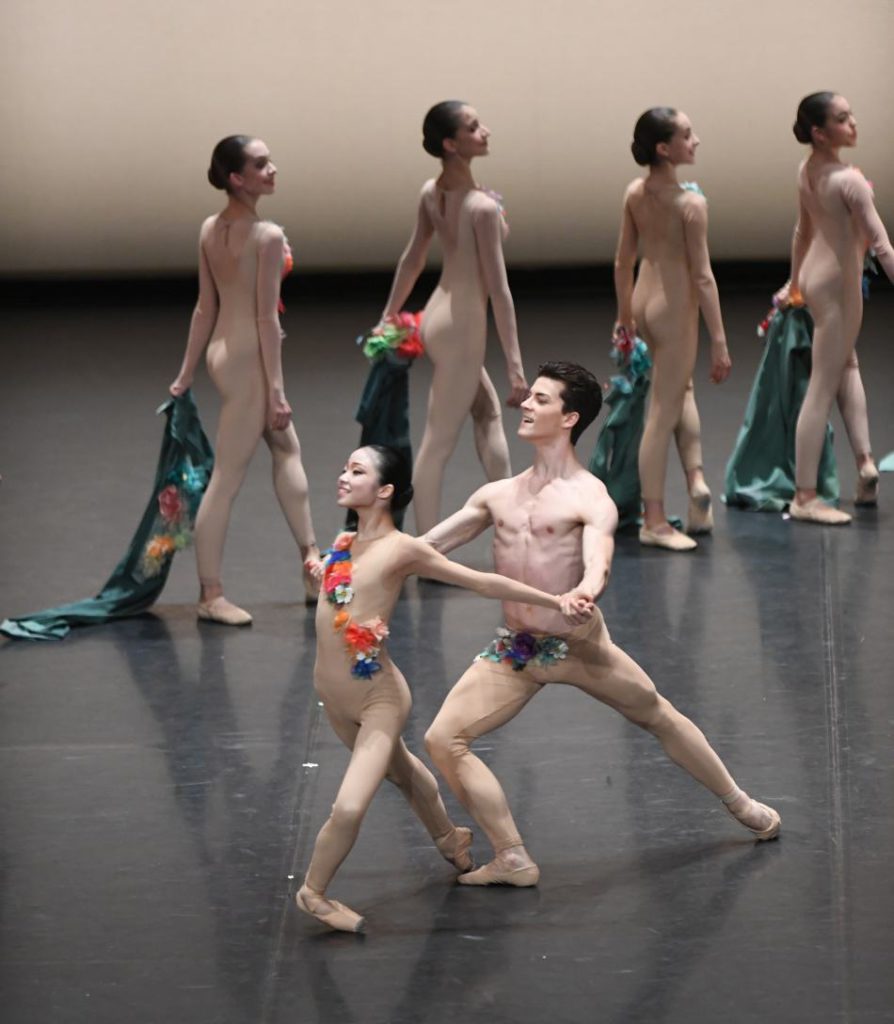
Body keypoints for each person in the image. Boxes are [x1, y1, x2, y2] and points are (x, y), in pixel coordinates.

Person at [424, 361, 780, 887]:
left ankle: (741, 803)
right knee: (442, 739)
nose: (525, 404)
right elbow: (426, 547)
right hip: (517, 651)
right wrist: (357, 557)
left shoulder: (589, 496)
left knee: (657, 713)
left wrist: (583, 593)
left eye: (541, 400)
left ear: (569, 418)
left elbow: (599, 560)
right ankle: (512, 856)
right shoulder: (495, 495)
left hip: (578, 646)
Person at [296, 445, 586, 932]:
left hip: (377, 700)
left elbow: (481, 582)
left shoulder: (402, 549)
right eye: (344, 467)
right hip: (334, 698)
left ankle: (314, 892)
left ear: (385, 490)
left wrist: (555, 599)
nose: (343, 476)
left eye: (356, 471)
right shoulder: (344, 543)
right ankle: (451, 839)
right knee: (406, 773)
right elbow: (342, 599)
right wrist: (321, 568)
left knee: (348, 805)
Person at [169, 135, 319, 624]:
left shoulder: (210, 228)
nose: (272, 169)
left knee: (286, 451)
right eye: (260, 164)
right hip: (250, 358)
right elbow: (264, 321)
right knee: (228, 477)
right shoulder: (267, 236)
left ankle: (311, 566)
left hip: (223, 354)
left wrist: (188, 372)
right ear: (236, 178)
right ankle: (211, 594)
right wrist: (276, 391)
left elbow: (204, 308)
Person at [378, 100, 528, 535]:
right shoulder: (479, 207)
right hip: (461, 323)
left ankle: (508, 520)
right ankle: (423, 545)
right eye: (473, 127)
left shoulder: (433, 191)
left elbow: (412, 259)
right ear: (451, 143)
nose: (485, 131)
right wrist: (516, 368)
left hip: (437, 314)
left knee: (487, 414)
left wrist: (390, 313)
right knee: (439, 440)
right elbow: (499, 291)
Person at [614, 108, 732, 551]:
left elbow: (623, 260)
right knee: (661, 413)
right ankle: (655, 518)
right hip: (675, 306)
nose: (695, 140)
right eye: (687, 135)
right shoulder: (691, 205)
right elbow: (703, 276)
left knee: (680, 391)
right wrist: (719, 339)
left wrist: (625, 315)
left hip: (644, 298)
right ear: (664, 148)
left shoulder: (635, 192)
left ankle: (697, 479)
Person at [777, 92, 894, 524]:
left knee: (846, 366)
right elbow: (881, 245)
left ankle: (864, 463)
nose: (854, 124)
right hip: (836, 286)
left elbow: (801, 231)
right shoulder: (849, 182)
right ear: (820, 133)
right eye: (843, 119)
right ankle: (804, 496)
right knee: (823, 385)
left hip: (815, 276)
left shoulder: (808, 170)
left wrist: (794, 282)